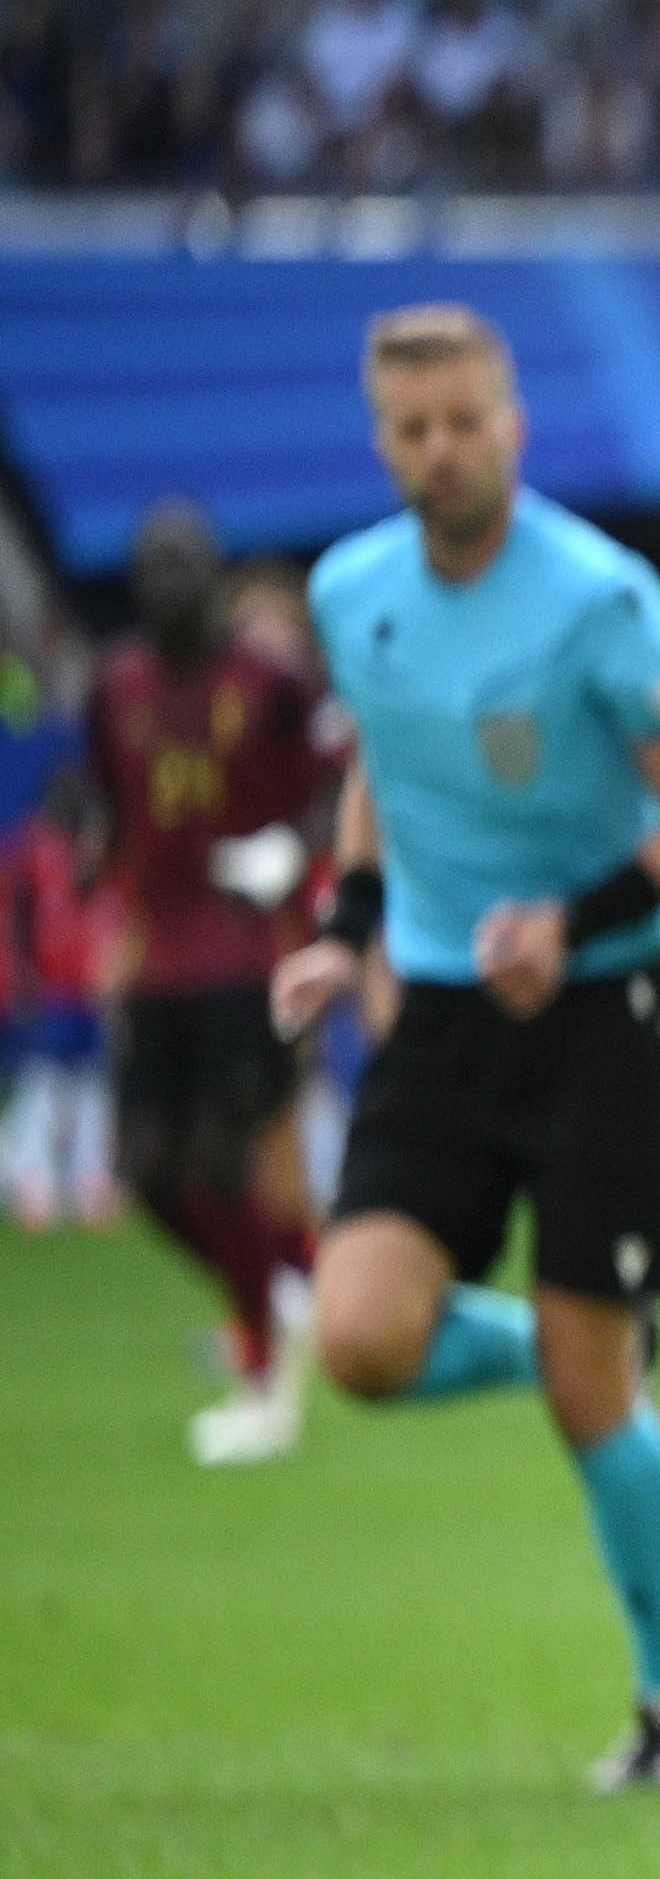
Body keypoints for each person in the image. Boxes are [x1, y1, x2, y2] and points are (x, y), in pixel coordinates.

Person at [271, 302, 660, 1795]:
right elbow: (389, 781)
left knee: (590, 1387)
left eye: (465, 422)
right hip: (434, 1006)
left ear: (513, 425)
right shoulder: (353, 595)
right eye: (412, 430)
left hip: (604, 1007)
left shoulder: (602, 601)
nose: (441, 452)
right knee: (357, 1343)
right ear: (381, 441)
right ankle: (575, 1340)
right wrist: (348, 932)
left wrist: (568, 921)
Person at [85, 499, 335, 1466]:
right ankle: (295, 1287)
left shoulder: (272, 683)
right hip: (158, 957)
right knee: (147, 1168)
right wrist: (95, 854)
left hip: (249, 952)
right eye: (152, 565)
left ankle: (263, 1371)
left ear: (216, 573)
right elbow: (115, 804)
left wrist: (292, 851)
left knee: (233, 1159)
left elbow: (336, 788)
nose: (168, 582)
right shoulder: (116, 687)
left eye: (186, 563)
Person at [4, 792, 119, 1233]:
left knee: (93, 1086)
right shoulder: (37, 851)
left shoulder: (106, 854)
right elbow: (19, 913)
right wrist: (23, 973)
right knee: (45, 1083)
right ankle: (33, 1178)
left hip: (94, 987)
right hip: (53, 986)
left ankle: (91, 1178)